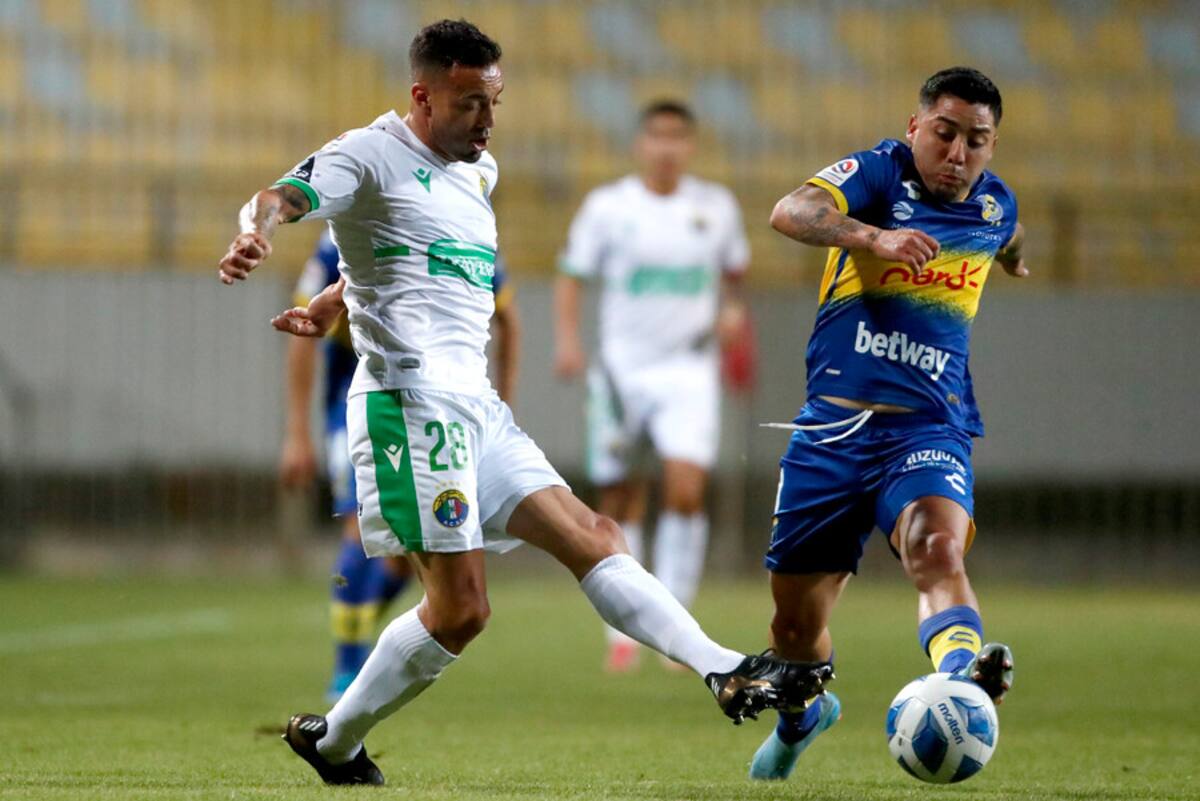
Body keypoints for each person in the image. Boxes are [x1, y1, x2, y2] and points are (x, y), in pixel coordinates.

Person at [217, 19, 828, 787]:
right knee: (463, 611)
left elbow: (411, 261)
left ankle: (723, 668)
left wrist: (342, 296)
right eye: (470, 102)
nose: (486, 120)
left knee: (594, 532)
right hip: (408, 409)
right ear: (422, 95)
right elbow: (280, 194)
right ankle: (336, 741)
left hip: (476, 407)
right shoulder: (365, 155)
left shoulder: (479, 172)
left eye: (494, 102)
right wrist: (255, 234)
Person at [747, 67, 1024, 780]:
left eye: (976, 141)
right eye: (945, 133)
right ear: (915, 128)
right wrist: (875, 237)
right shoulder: (877, 174)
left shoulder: (995, 206)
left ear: (993, 147)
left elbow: (1009, 230)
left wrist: (1015, 254)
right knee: (793, 630)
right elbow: (790, 210)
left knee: (937, 547)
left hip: (929, 428)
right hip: (833, 432)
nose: (958, 153)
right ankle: (801, 718)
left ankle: (963, 676)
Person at [280, 231, 521, 700]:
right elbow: (303, 331)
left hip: (441, 404)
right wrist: (296, 432)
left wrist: (502, 409)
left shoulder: (470, 232)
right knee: (359, 526)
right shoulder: (342, 238)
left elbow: (509, 319)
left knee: (399, 552)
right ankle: (347, 670)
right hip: (360, 403)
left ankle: (361, 625)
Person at [554, 100, 751, 672]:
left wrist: (733, 317)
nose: (667, 147)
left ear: (690, 146)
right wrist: (568, 341)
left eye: (677, 137)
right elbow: (572, 276)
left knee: (687, 490)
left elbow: (734, 279)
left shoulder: (715, 208)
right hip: (621, 371)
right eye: (657, 136)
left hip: (689, 369)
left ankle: (678, 624)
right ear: (642, 144)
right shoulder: (609, 207)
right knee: (621, 497)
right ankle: (625, 628)